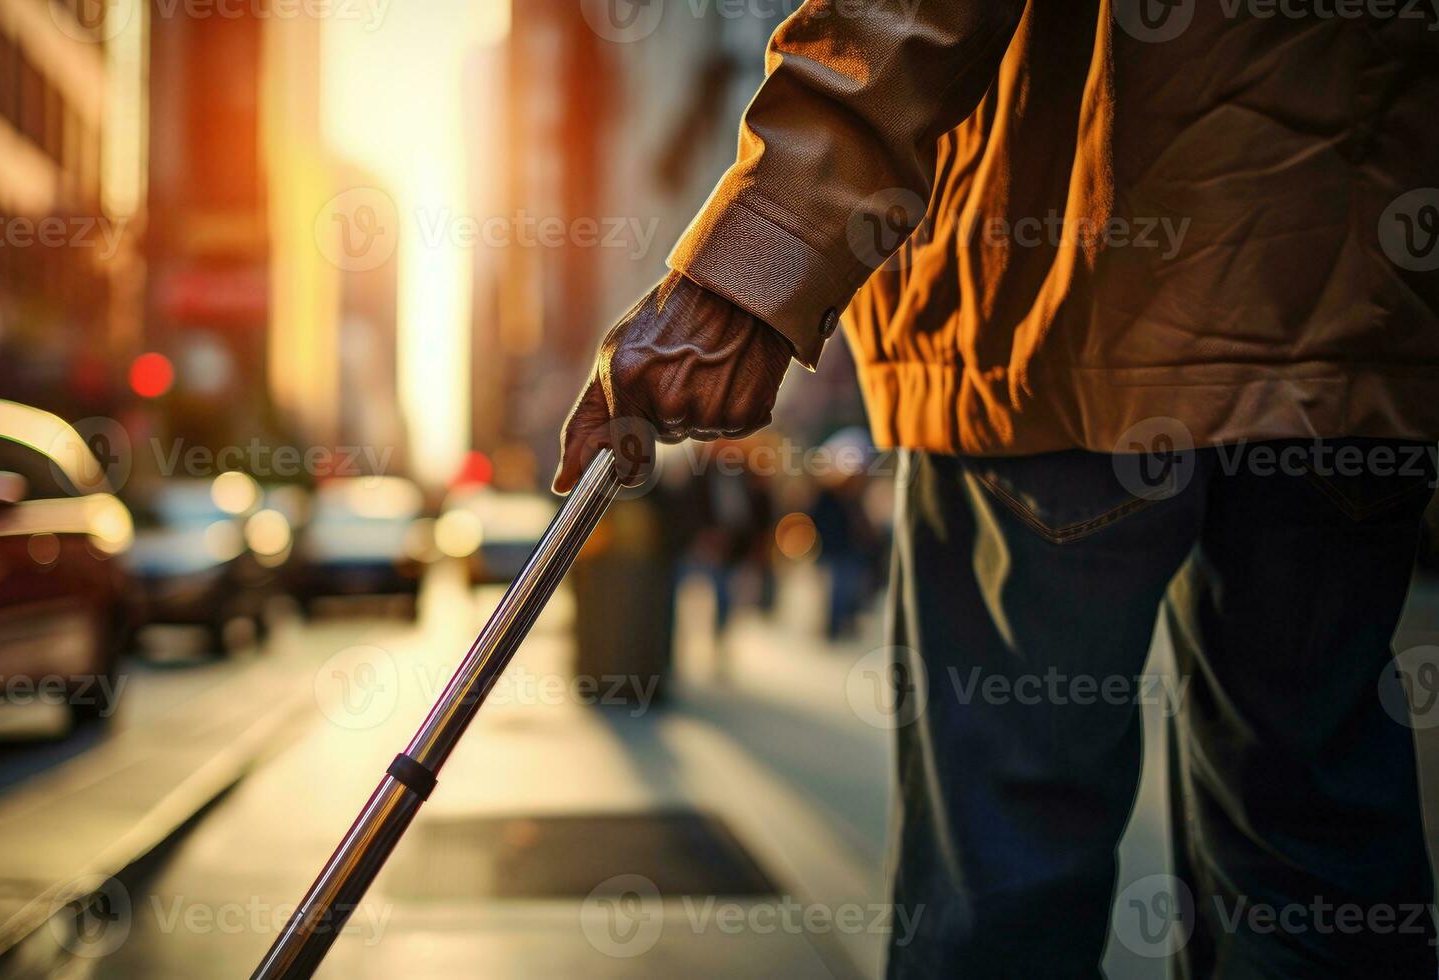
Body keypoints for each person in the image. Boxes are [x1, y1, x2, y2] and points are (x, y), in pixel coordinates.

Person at [551, 2, 1439, 976]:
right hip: (1350, 313)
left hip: (1059, 310)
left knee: (1006, 877)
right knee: (1315, 864)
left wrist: (753, 260)